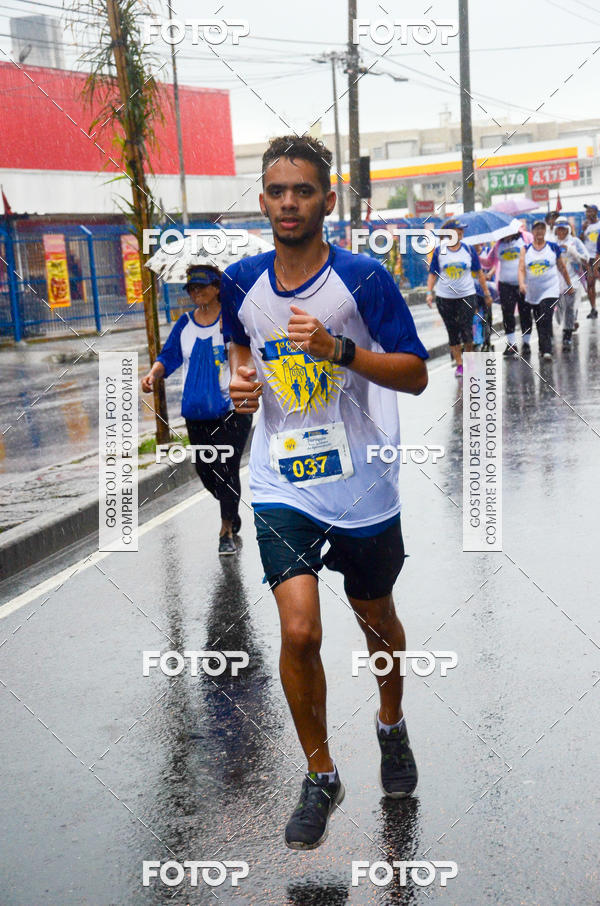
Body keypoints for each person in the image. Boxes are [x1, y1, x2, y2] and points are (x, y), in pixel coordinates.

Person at [221, 135, 429, 851]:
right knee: (300, 630)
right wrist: (240, 384)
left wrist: (339, 349)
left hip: (364, 486)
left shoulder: (365, 280)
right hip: (284, 482)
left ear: (327, 201)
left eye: (302, 190)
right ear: (263, 200)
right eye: (277, 190)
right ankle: (320, 774)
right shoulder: (240, 280)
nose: (288, 202)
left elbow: (414, 374)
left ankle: (391, 726)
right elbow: (240, 351)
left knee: (376, 621)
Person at [141, 264, 252, 555]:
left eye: (203, 286)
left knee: (227, 468)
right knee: (206, 470)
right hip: (197, 411)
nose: (197, 292)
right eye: (192, 288)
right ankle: (231, 507)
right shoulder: (185, 324)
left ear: (218, 288)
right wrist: (154, 374)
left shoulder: (232, 320)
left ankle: (225, 530)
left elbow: (251, 351)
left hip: (232, 408)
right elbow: (169, 355)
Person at [425, 220, 492, 377]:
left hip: (467, 295)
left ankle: (469, 361)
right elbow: (433, 273)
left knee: (467, 330)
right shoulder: (439, 251)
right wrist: (429, 293)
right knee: (452, 331)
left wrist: (486, 293)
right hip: (445, 297)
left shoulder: (468, 250)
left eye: (462, 231)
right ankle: (460, 365)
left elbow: (479, 273)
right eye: (457, 230)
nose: (460, 233)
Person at [518, 220, 574, 360]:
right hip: (533, 291)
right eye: (536, 229)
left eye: (542, 229)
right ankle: (543, 348)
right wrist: (521, 284)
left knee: (545, 316)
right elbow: (521, 269)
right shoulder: (526, 249)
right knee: (539, 319)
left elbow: (561, 267)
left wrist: (569, 284)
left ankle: (547, 350)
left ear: (545, 231)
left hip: (550, 289)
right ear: (532, 231)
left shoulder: (553, 247)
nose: (539, 232)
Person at [494, 231, 531, 357]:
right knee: (507, 314)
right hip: (505, 284)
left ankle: (526, 343)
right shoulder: (498, 245)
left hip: (523, 284)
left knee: (525, 313)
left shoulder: (525, 239)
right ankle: (511, 344)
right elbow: (489, 261)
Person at [553, 217, 588, 351]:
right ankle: (559, 330)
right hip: (556, 282)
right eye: (559, 229)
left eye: (563, 229)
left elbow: (585, 260)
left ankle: (567, 335)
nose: (561, 232)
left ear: (567, 229)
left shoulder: (575, 242)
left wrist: (573, 252)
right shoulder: (552, 243)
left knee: (569, 308)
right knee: (558, 310)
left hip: (572, 279)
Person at [579, 203, 599, 318]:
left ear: (596, 212)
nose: (588, 213)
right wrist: (583, 230)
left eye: (591, 211)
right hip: (589, 259)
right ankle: (593, 309)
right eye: (587, 211)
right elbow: (580, 241)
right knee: (590, 284)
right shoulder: (585, 226)